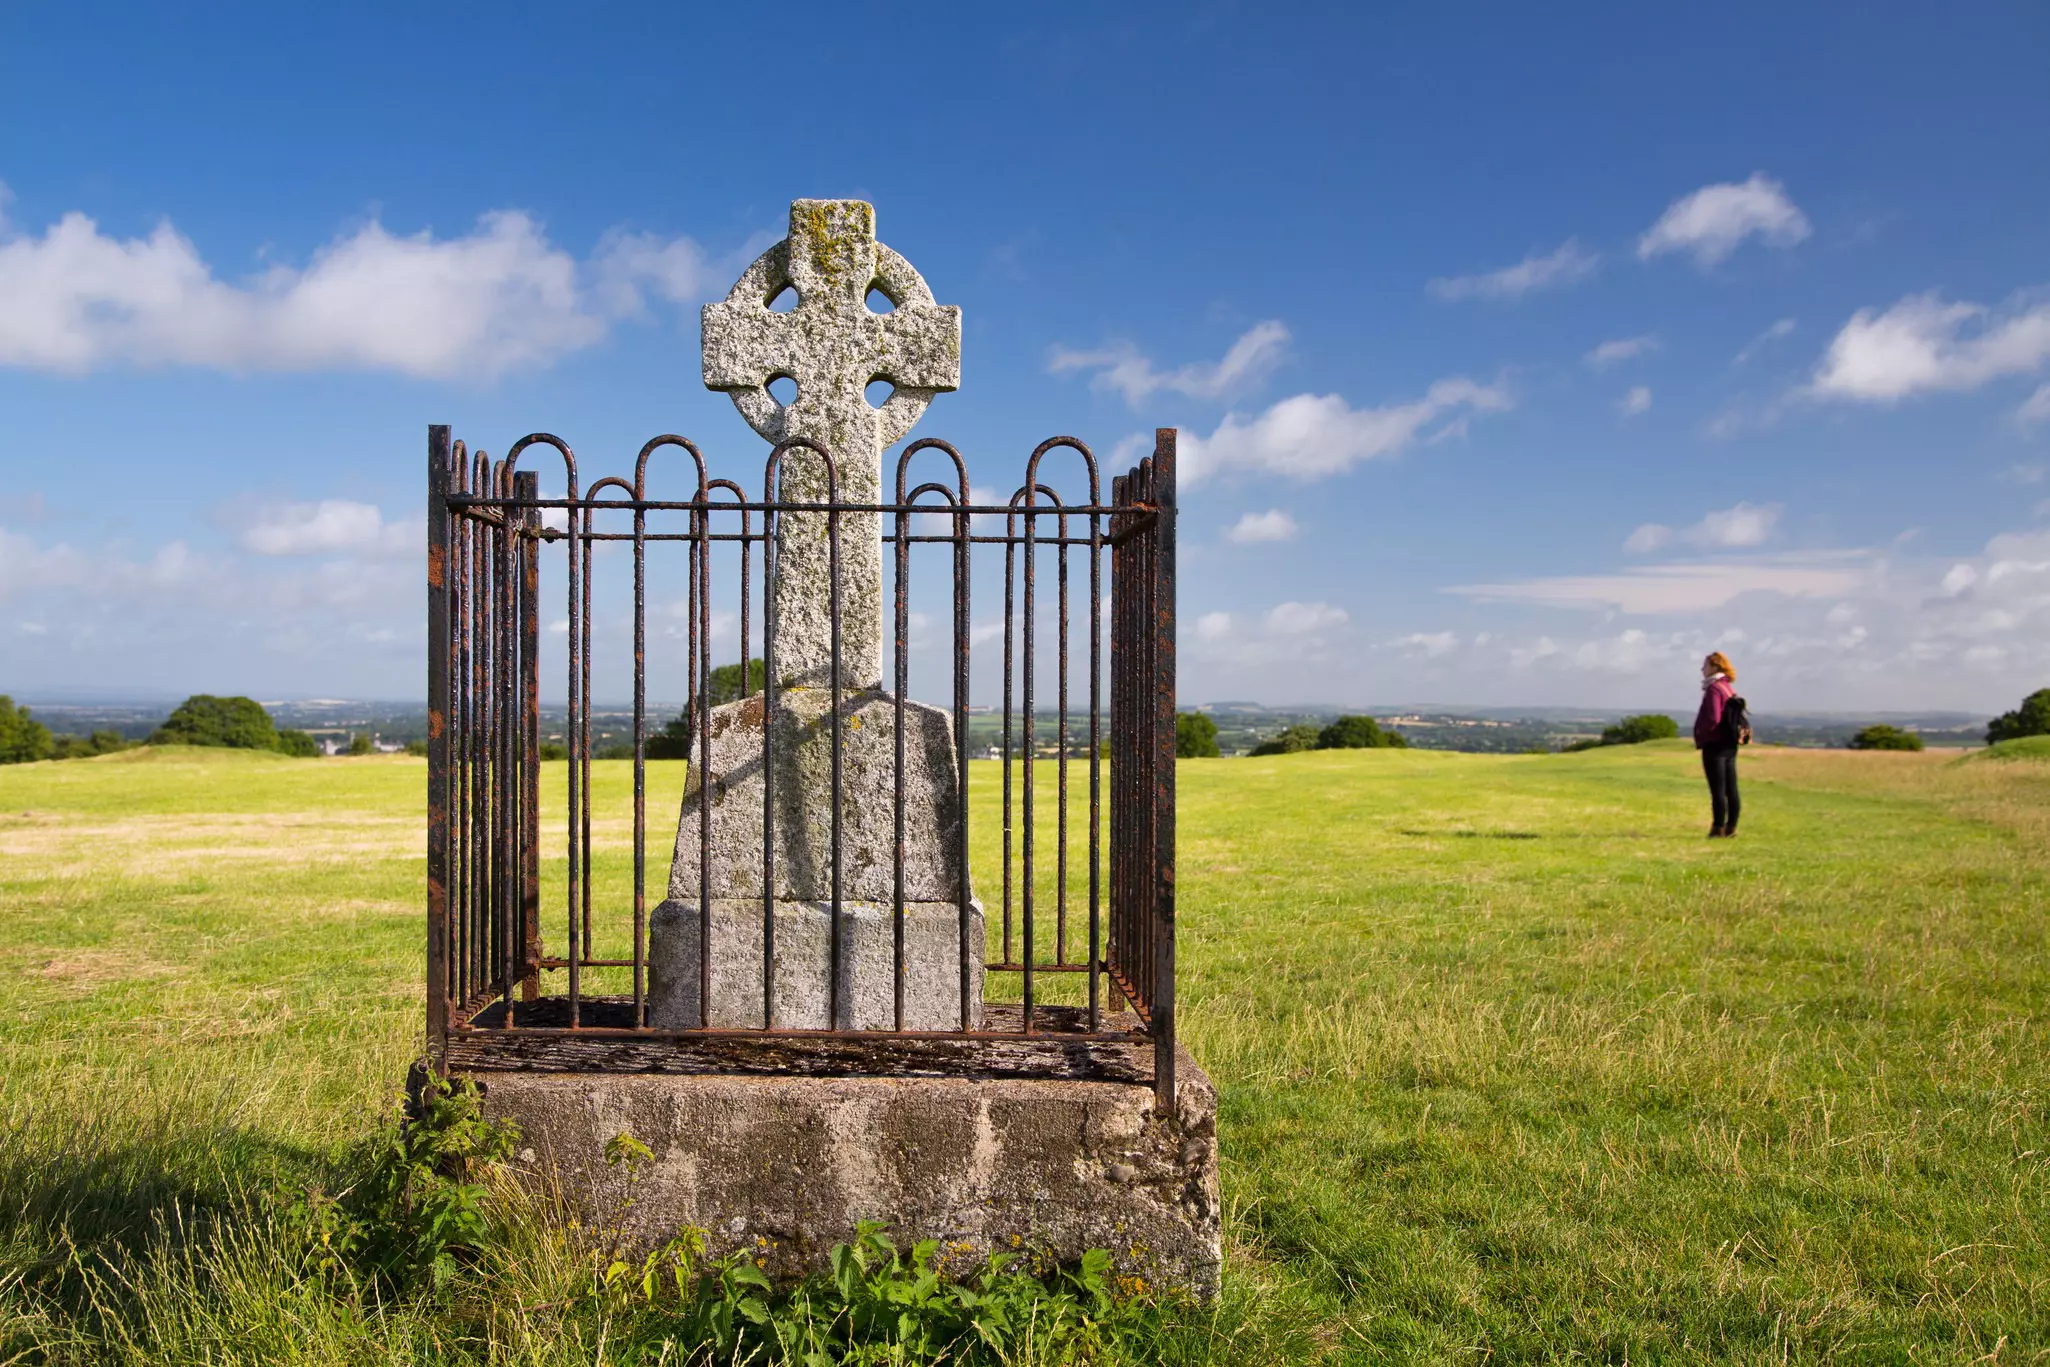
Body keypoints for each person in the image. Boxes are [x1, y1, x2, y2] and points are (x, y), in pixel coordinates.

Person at [1693, 651, 1740, 838]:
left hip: (1715, 744)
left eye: (1705, 665)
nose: (1702, 669)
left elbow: (1713, 717)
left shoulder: (1714, 688)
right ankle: (1731, 827)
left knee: (1717, 789)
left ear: (1714, 666)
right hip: (1729, 744)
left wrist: (1702, 735)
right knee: (1731, 788)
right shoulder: (1727, 687)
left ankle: (1718, 828)